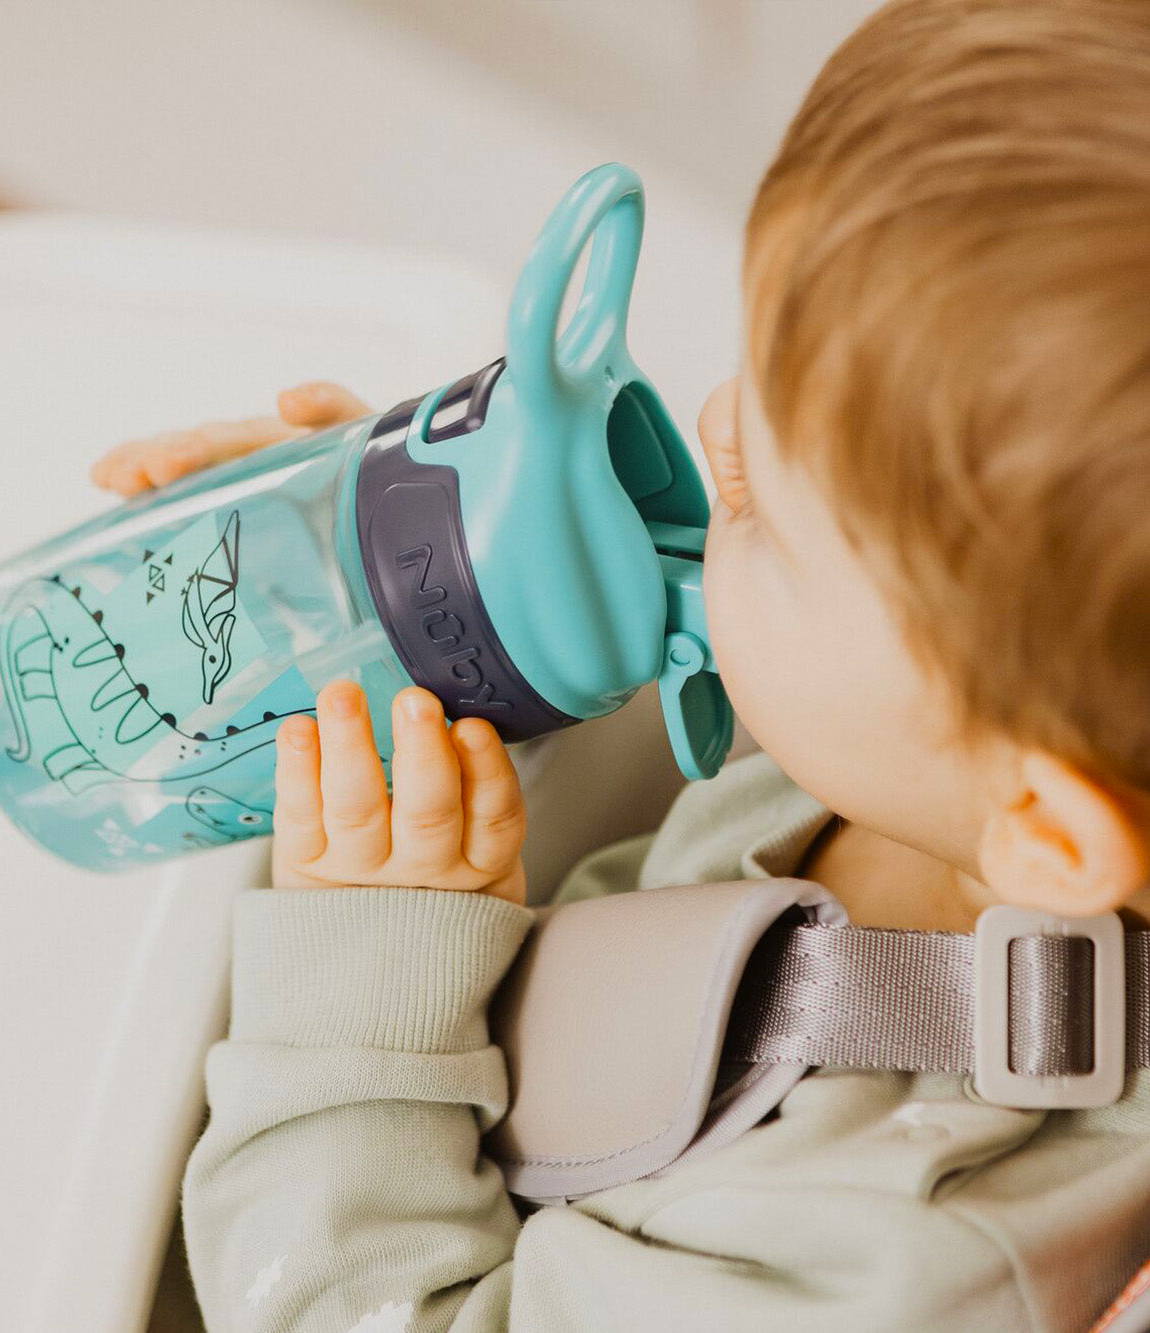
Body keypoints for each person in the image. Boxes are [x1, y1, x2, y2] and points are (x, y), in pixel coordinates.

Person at [93, 1, 1150, 1327]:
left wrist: (359, 979)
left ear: (1048, 834)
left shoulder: (886, 1254)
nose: (711, 423)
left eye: (762, 504)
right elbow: (722, 711)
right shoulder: (952, 740)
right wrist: (421, 595)